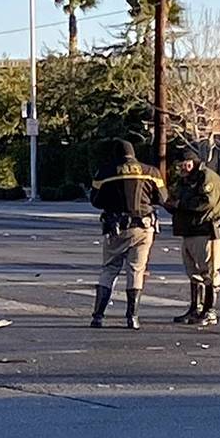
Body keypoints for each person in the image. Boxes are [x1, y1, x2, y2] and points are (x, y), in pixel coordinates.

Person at [88, 139, 167, 329]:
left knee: (109, 269)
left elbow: (95, 201)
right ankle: (133, 317)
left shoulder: (105, 172)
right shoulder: (151, 172)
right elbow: (163, 198)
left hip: (117, 227)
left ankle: (98, 316)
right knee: (136, 270)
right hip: (144, 227)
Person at [165, 149, 220, 327]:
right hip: (189, 230)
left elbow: (206, 202)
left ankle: (210, 311)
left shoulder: (207, 177)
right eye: (179, 166)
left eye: (184, 165)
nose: (181, 169)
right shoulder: (186, 180)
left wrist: (180, 204)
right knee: (193, 272)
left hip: (207, 231)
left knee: (209, 272)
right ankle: (196, 308)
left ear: (192, 162)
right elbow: (176, 198)